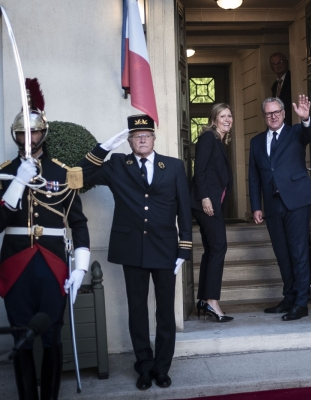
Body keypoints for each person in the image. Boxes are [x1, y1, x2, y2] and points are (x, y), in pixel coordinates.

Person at [79, 115, 192, 391]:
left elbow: (184, 209)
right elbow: (80, 175)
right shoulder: (118, 165)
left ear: (154, 138)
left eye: (147, 134)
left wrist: (184, 247)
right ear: (129, 141)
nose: (142, 138)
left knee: (165, 311)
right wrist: (104, 147)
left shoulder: (174, 166)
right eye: (136, 135)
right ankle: (144, 366)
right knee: (137, 310)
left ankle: (162, 368)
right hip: (132, 249)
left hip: (166, 248)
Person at [0, 78, 90, 400]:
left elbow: (78, 224)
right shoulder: (5, 172)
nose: (29, 137)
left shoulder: (62, 173)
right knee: (22, 338)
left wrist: (79, 268)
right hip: (15, 266)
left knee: (52, 336)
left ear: (44, 133)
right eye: (23, 132)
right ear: (15, 134)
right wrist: (16, 183)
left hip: (53, 264)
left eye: (34, 131)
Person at [248, 95, 311, 321]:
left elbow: (310, 133)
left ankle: (301, 303)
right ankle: (288, 297)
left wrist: (306, 118)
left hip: (297, 202)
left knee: (298, 252)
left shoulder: (296, 133)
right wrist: (256, 206)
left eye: (277, 112)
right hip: (272, 205)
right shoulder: (257, 142)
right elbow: (254, 177)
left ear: (284, 113)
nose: (273, 116)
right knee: (282, 253)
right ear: (264, 116)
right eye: (269, 113)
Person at [190, 103, 234, 322]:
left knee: (212, 249)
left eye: (229, 116)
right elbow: (200, 170)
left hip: (212, 203)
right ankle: (211, 301)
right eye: (222, 116)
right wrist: (205, 197)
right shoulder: (208, 138)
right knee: (218, 247)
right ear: (214, 119)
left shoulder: (219, 141)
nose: (227, 119)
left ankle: (205, 300)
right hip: (205, 203)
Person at [269, 52, 292, 127]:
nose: (278, 65)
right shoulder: (275, 85)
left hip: (290, 123)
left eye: (280, 62)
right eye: (274, 64)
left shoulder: (292, 79)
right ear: (271, 67)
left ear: (287, 62)